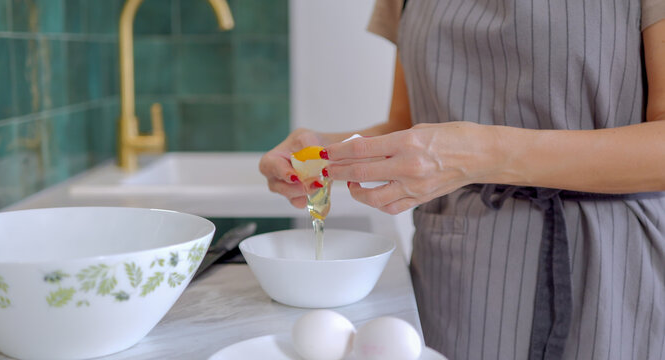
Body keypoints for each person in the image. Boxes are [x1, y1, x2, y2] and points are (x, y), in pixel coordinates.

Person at [259, 0, 665, 359]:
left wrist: (483, 154)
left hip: (610, 268)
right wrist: (324, 154)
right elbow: (409, 124)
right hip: (456, 274)